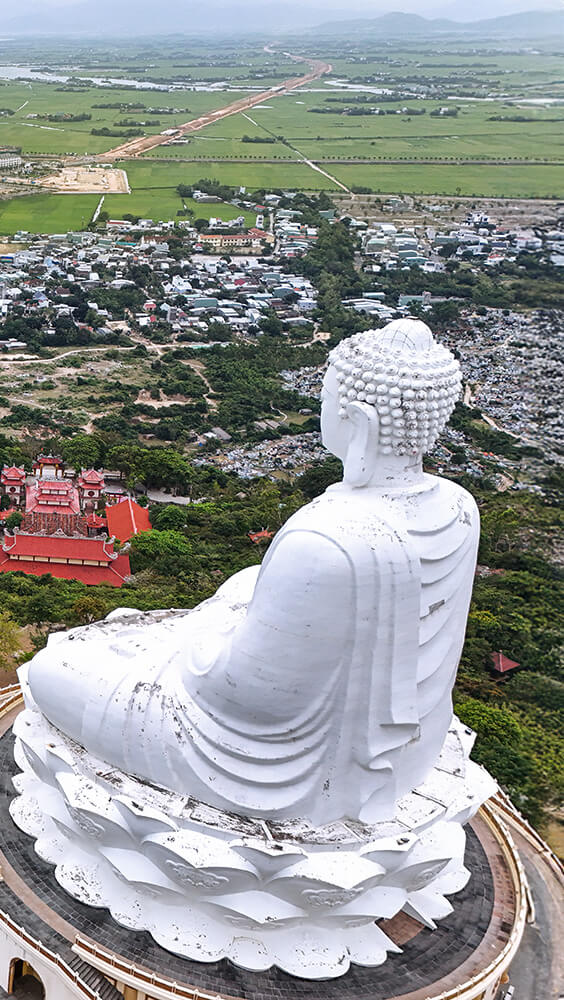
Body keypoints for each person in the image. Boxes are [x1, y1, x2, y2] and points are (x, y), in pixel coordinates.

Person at [24, 319, 474, 825]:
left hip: (280, 772)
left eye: (325, 398)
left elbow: (240, 698)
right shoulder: (460, 506)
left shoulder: (324, 538)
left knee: (50, 669)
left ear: (362, 422)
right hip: (406, 754)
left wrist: (199, 633)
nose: (319, 410)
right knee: (244, 581)